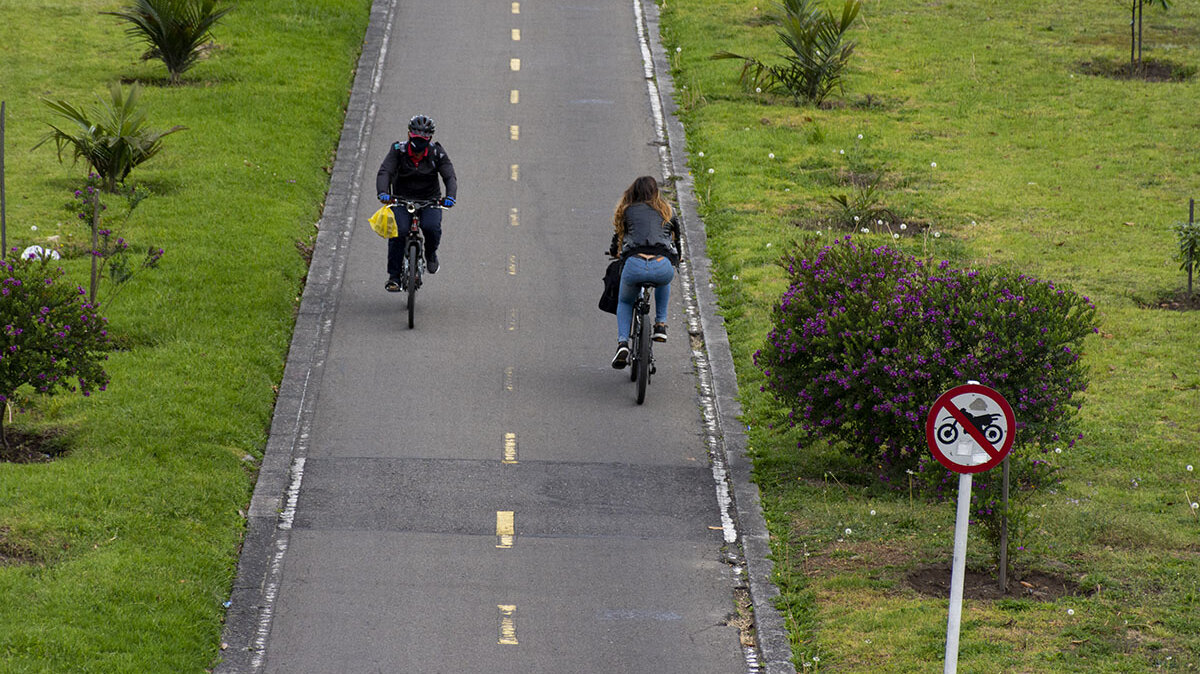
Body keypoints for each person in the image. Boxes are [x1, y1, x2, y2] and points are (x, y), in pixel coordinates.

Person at [607, 175, 681, 369]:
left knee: (624, 301)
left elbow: (619, 238)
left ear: (634, 192)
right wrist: (678, 256)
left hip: (635, 265)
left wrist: (615, 251)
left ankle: (623, 343)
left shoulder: (627, 210)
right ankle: (660, 325)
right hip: (660, 264)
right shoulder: (667, 210)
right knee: (664, 280)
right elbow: (677, 238)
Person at [376, 114, 458, 290]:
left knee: (431, 227)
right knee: (399, 231)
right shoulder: (398, 150)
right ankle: (394, 277)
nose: (419, 143)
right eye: (415, 137)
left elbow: (449, 176)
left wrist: (450, 196)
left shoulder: (437, 153)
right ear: (408, 135)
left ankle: (430, 254)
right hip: (401, 199)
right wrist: (383, 192)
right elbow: (385, 171)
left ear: (429, 139)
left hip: (430, 200)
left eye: (423, 139)